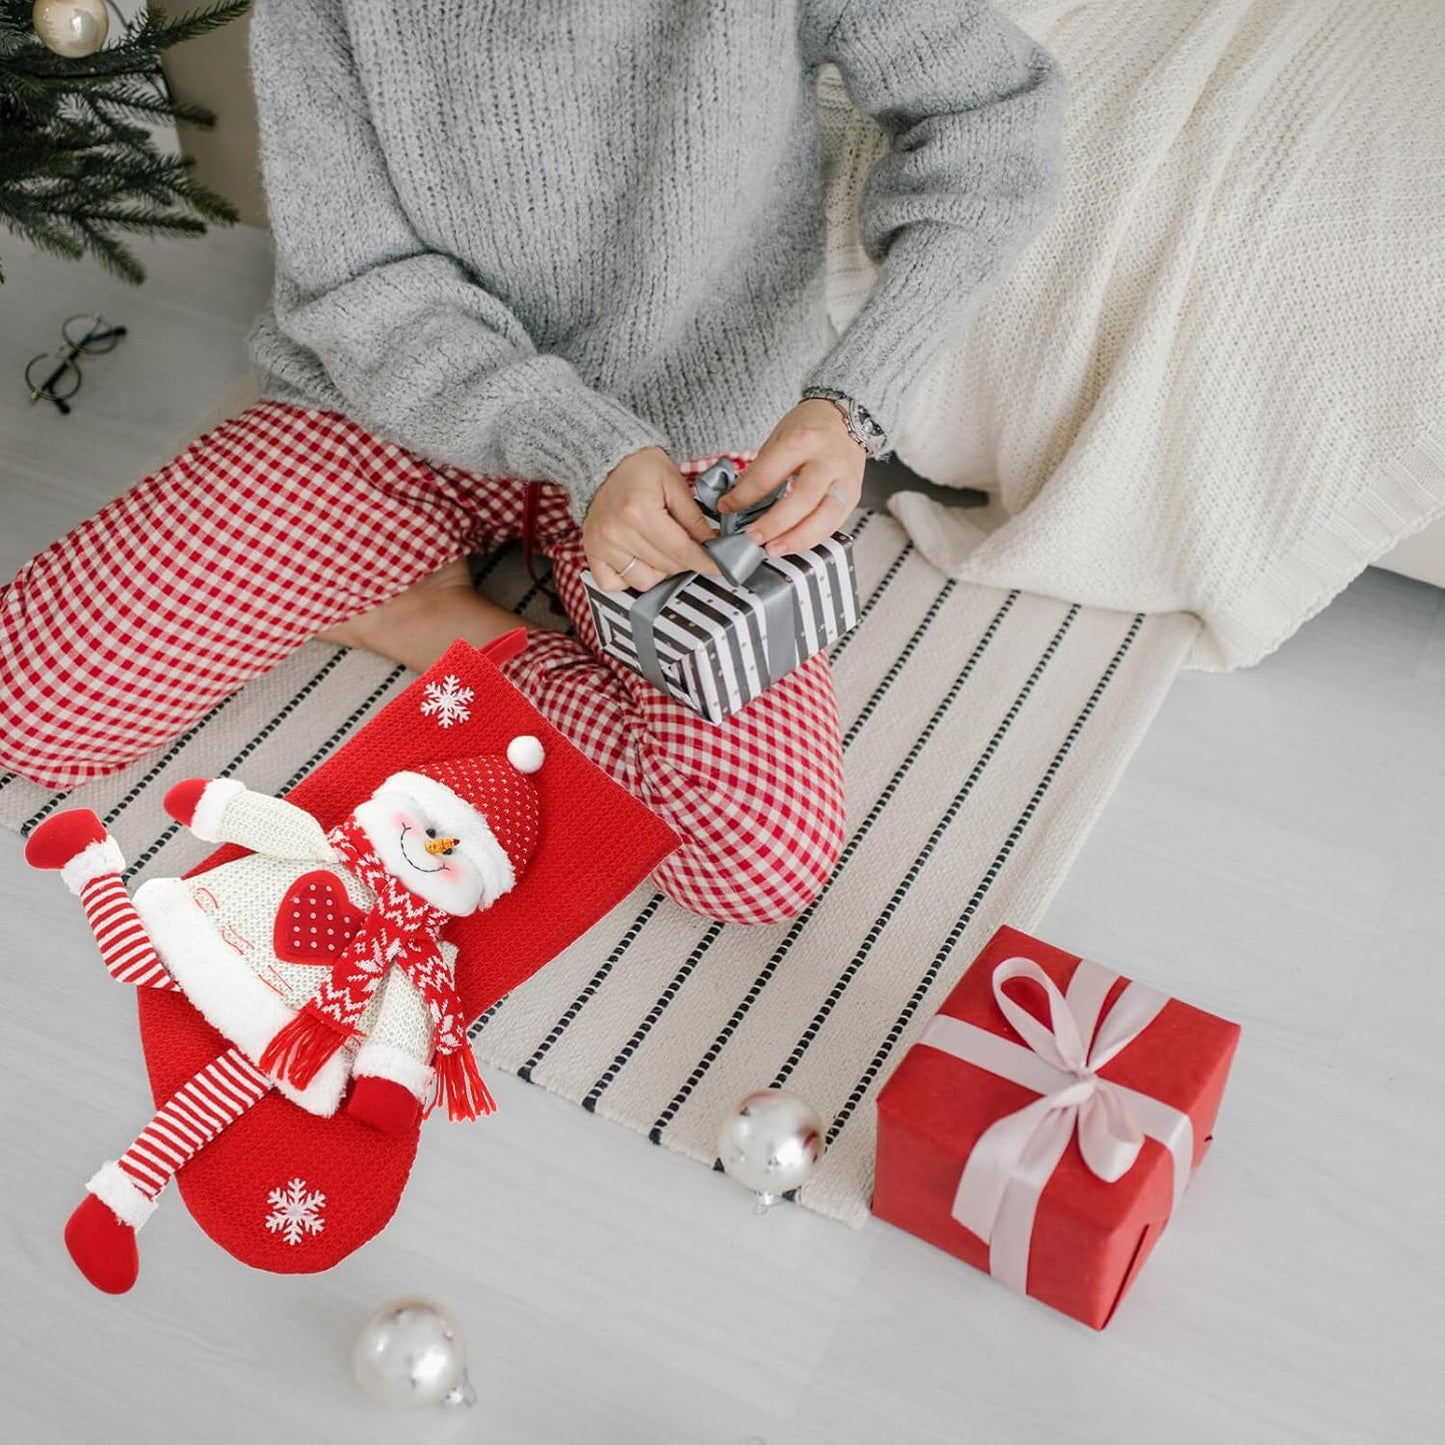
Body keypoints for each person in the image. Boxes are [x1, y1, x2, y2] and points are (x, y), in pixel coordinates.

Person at [0, 0, 1064, 925]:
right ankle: (427, 593)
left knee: (756, 851)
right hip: (398, 402)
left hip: (691, 428)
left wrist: (852, 395)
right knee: (32, 698)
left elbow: (991, 117)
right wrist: (578, 447)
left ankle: (424, 619)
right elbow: (359, 278)